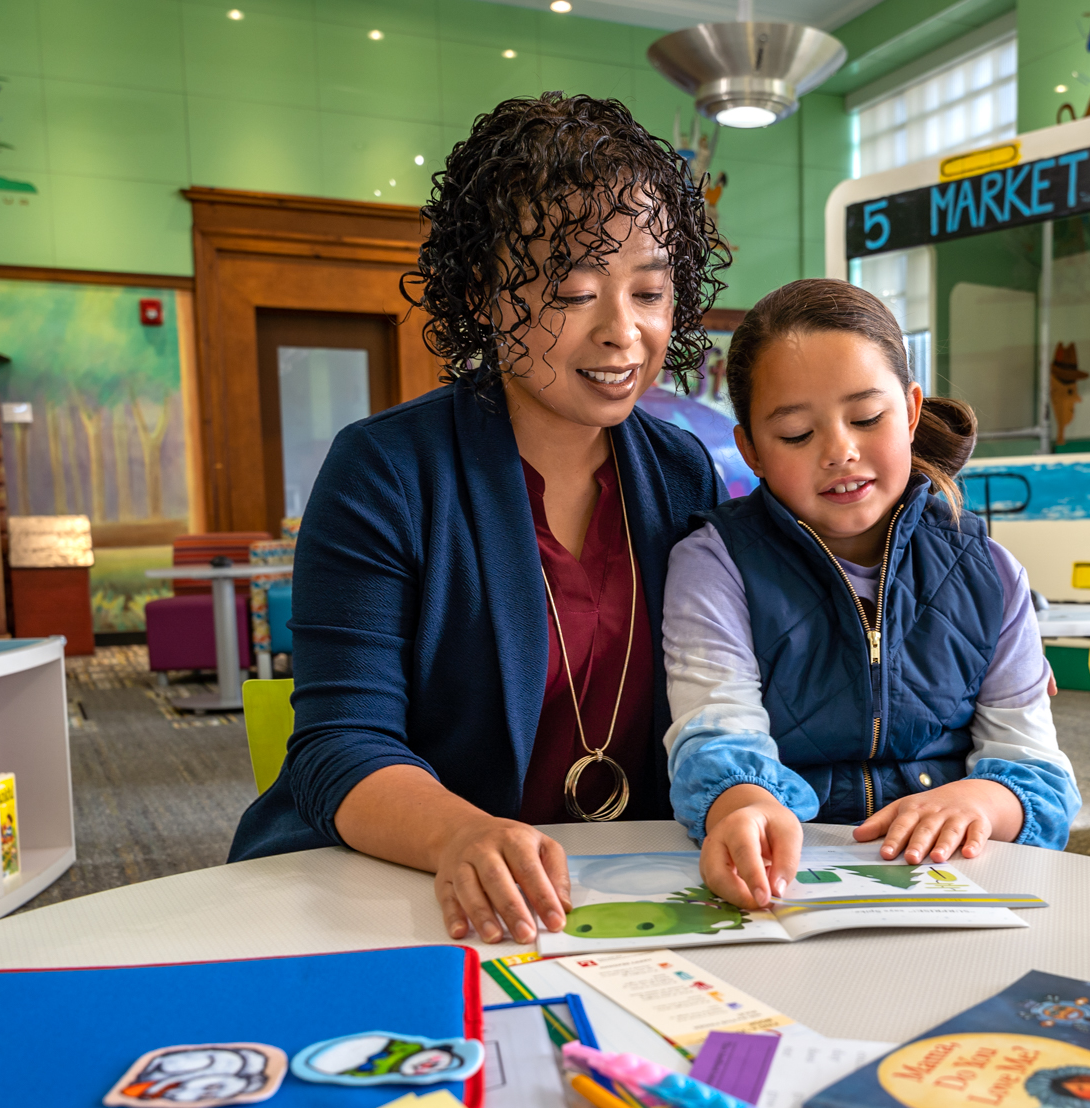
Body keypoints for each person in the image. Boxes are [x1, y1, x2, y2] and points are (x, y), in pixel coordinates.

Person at [228, 94, 731, 947]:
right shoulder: (386, 471)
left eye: (649, 290)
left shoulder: (681, 472)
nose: (625, 332)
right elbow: (337, 746)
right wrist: (460, 832)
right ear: (483, 292)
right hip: (405, 897)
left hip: (609, 898)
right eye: (575, 290)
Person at [663, 278, 1080, 910]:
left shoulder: (992, 571)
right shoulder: (716, 563)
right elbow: (716, 735)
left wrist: (980, 802)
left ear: (911, 412)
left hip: (956, 879)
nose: (841, 451)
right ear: (749, 447)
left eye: (866, 418)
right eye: (798, 434)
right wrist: (741, 805)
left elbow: (1039, 772)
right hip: (790, 876)